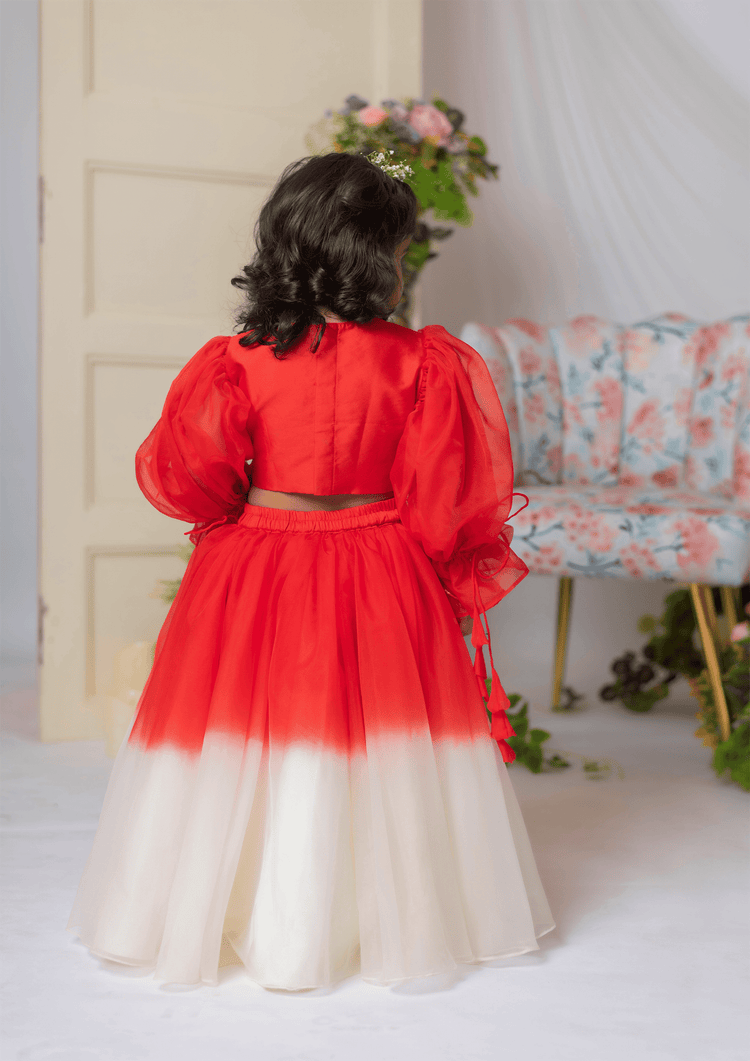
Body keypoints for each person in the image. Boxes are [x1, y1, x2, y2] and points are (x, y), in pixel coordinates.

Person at [66, 152, 555, 990]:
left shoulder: (235, 360)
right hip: (383, 560)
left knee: (241, 731)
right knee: (380, 733)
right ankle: (373, 908)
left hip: (257, 557)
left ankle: (243, 908)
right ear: (374, 255)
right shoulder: (421, 362)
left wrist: (246, 519)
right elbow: (446, 498)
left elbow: (190, 478)